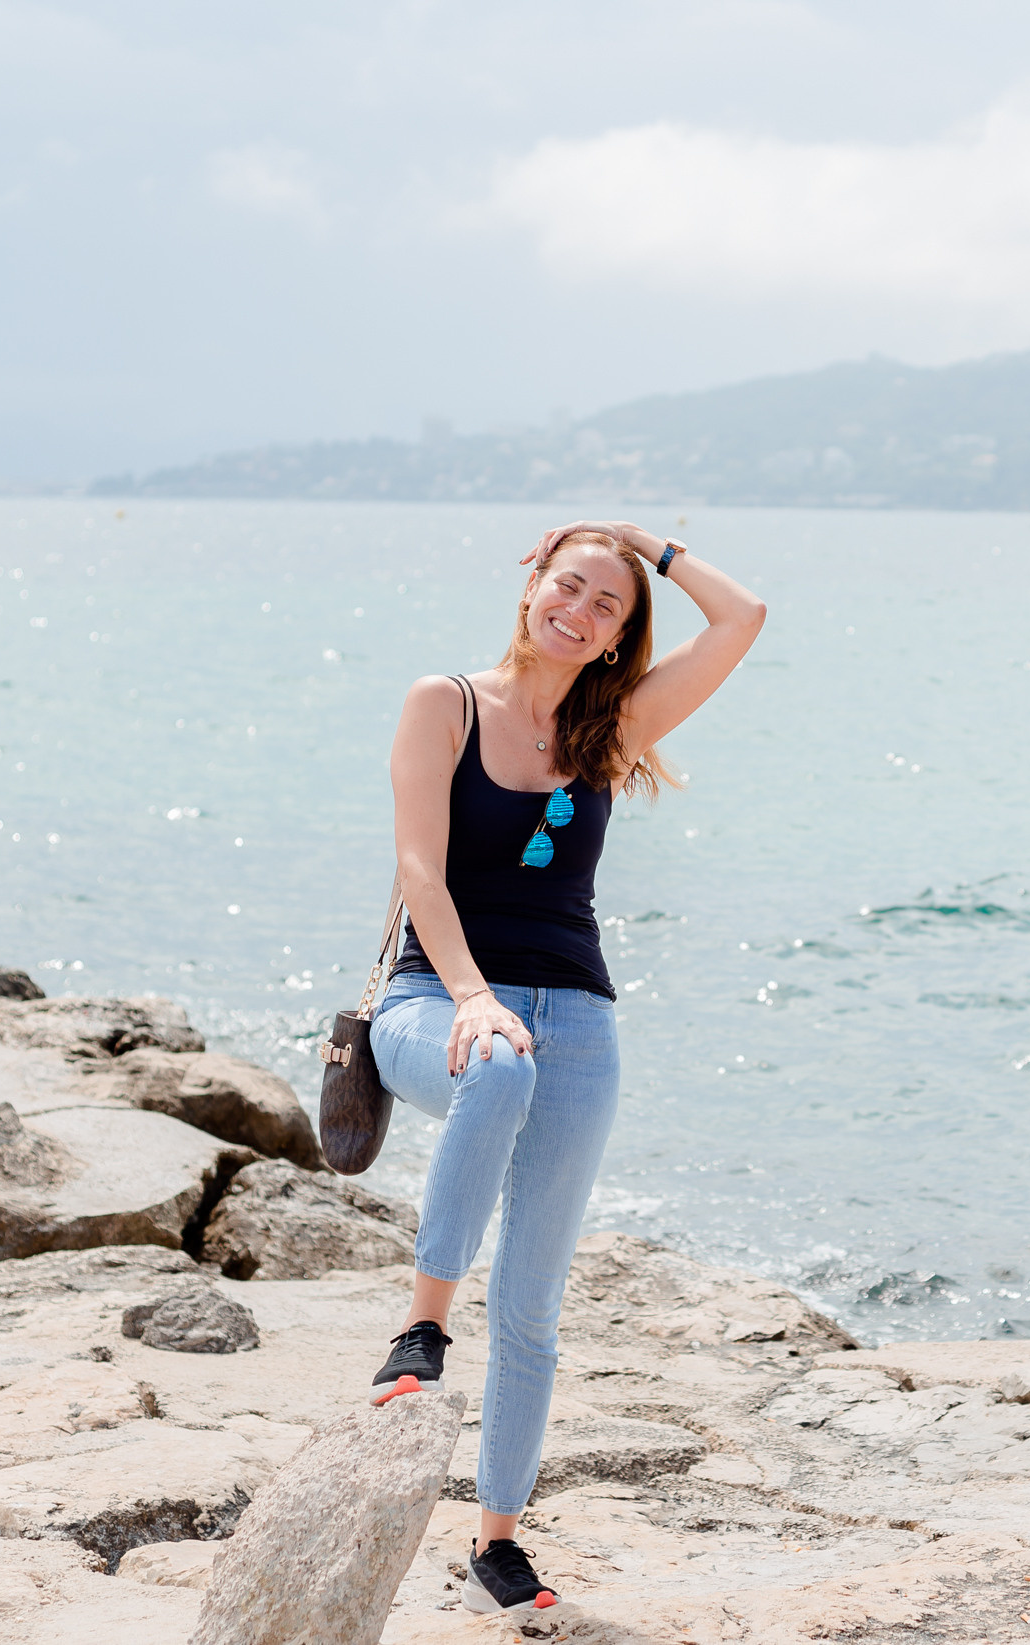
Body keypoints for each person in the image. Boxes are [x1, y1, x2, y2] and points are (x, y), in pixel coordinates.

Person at [364, 519, 765, 1615]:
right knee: (496, 1070)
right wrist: (471, 995)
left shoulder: (613, 725)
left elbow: (743, 618)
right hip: (433, 1000)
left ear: (615, 640)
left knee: (536, 1303)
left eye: (607, 606)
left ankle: (496, 1540)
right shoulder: (441, 700)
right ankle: (424, 1322)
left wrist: (649, 544)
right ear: (532, 583)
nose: (579, 610)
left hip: (578, 1022)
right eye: (570, 584)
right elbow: (416, 866)